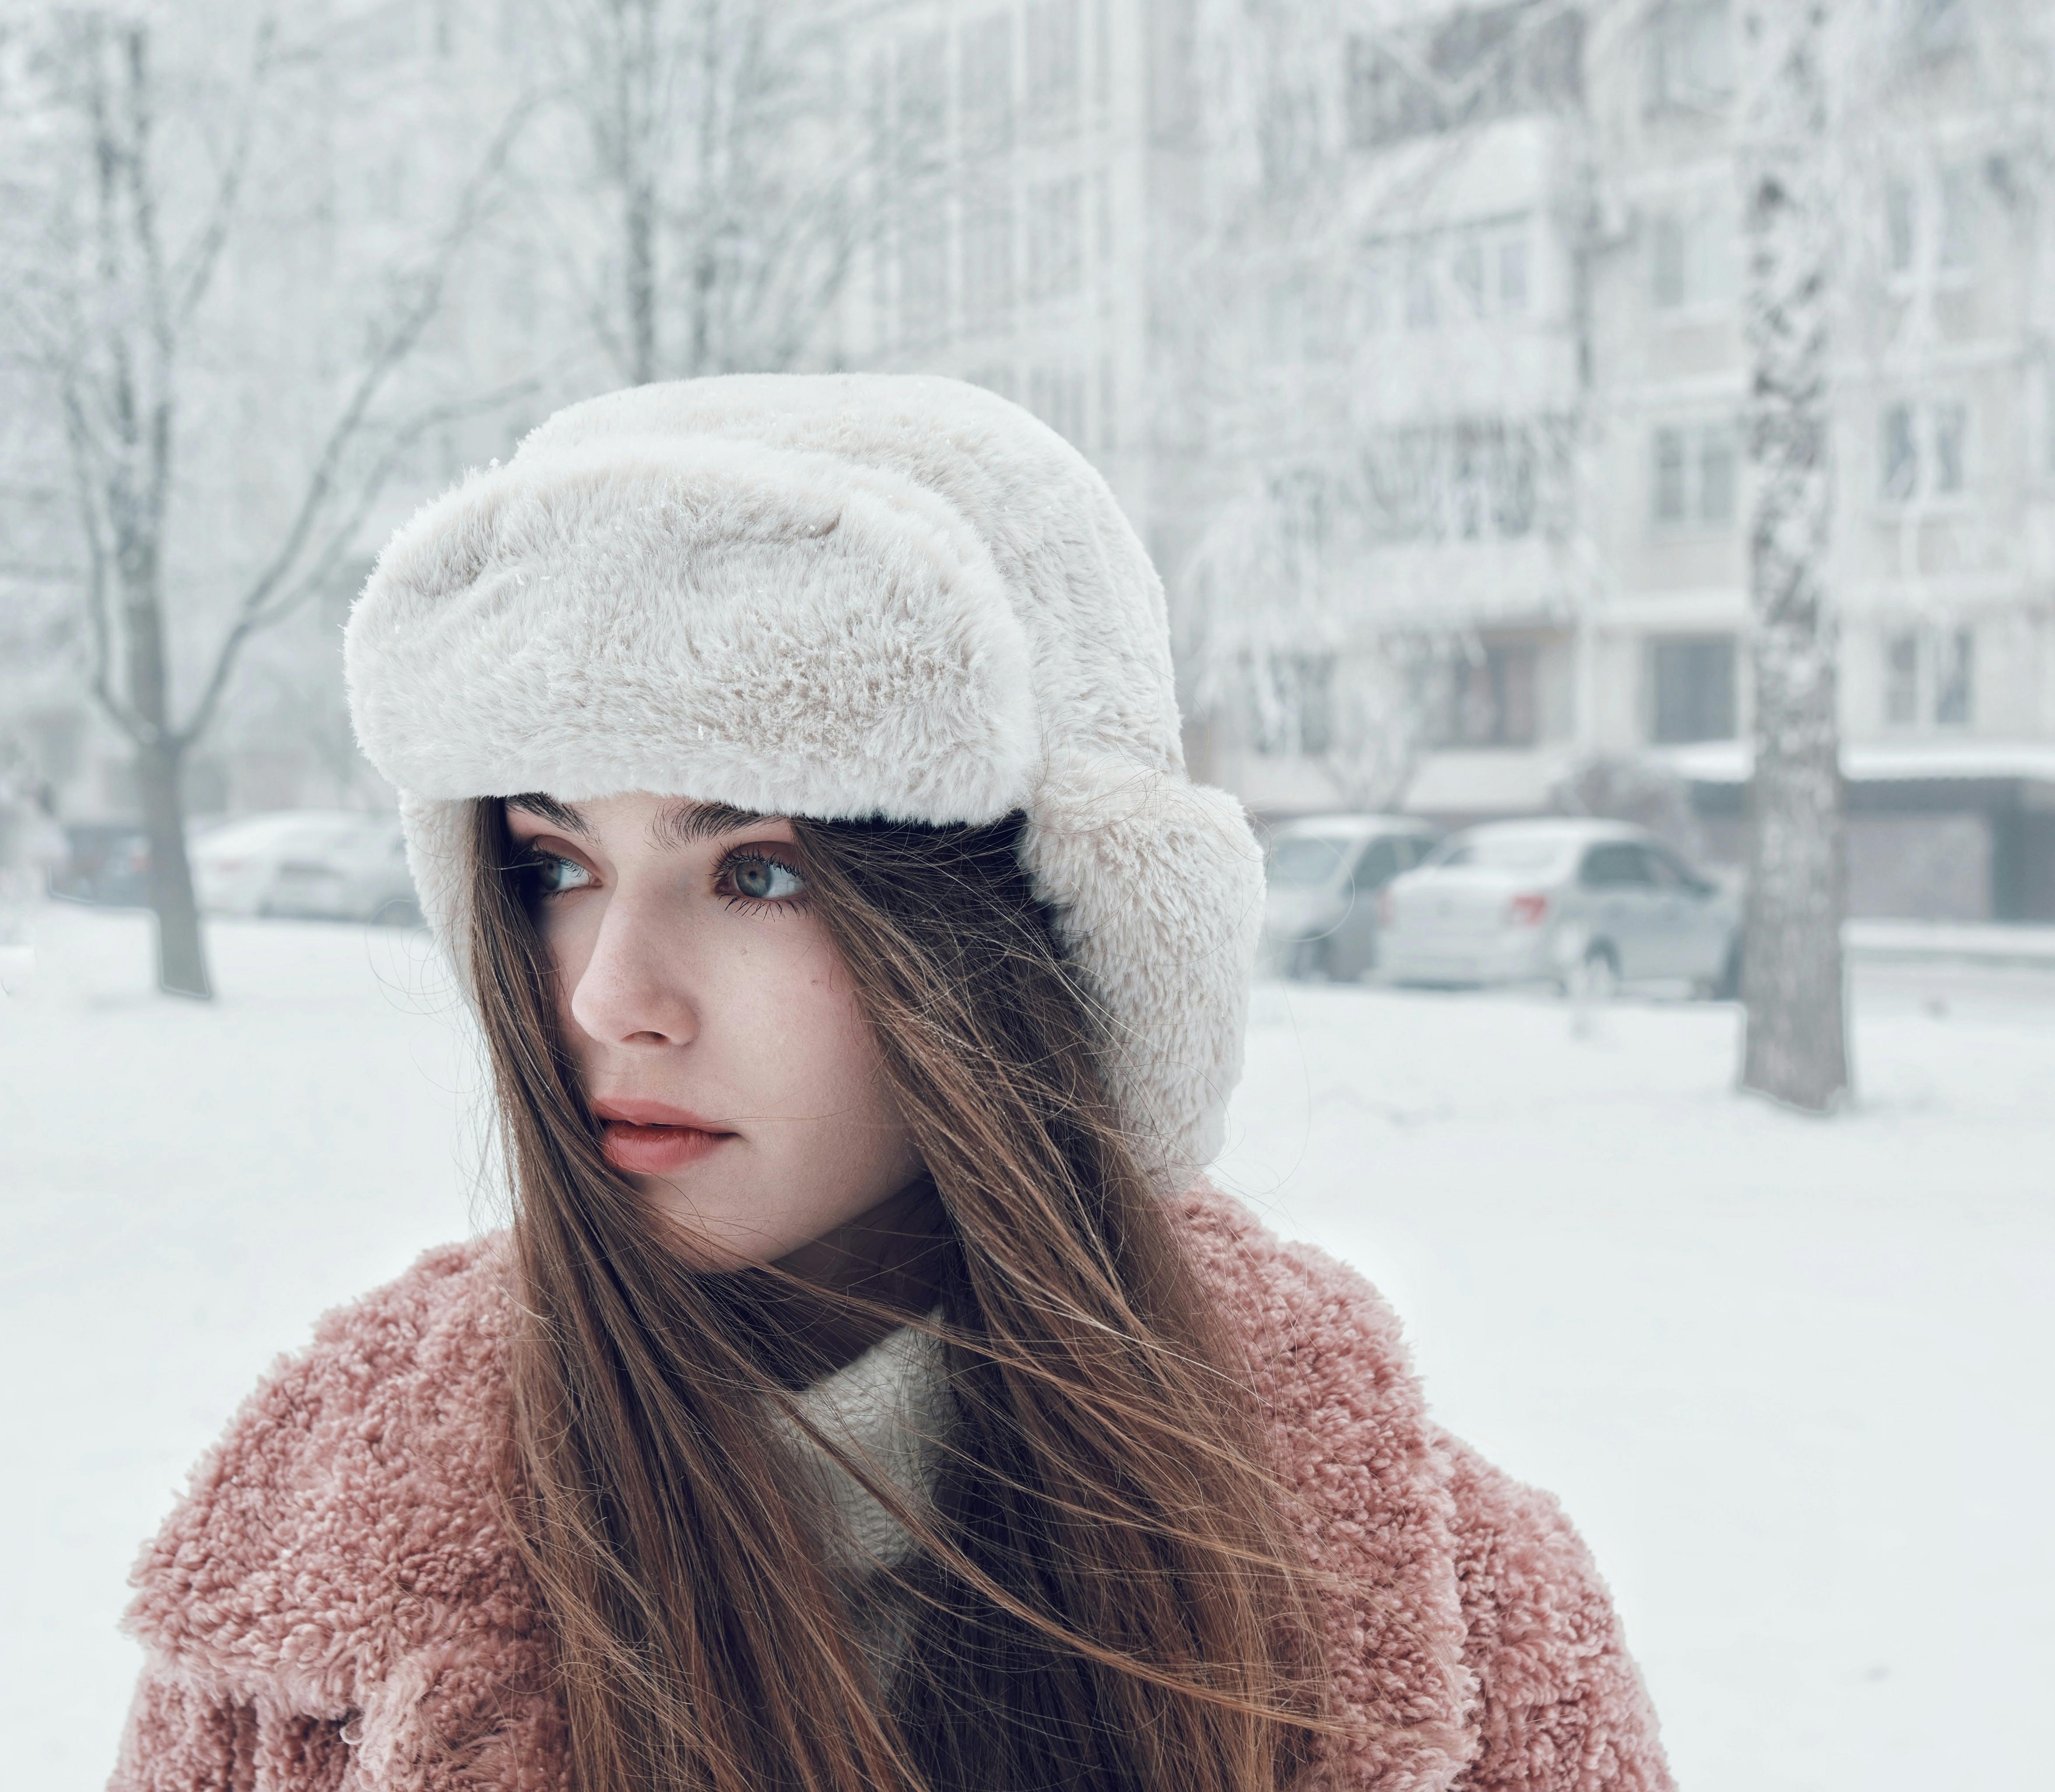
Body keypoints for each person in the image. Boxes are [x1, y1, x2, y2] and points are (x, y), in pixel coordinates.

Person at [109, 377, 1669, 1792]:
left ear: (1023, 935)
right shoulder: (306, 1606)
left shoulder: (1460, 1621)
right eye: (556, 860)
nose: (607, 996)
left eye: (759, 870)